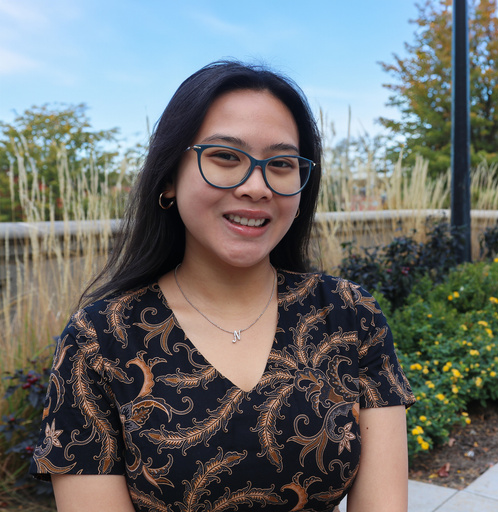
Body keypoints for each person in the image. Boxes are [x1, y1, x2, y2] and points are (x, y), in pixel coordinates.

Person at [31, 60, 414, 512]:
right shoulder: (100, 340)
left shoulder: (350, 316)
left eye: (282, 163)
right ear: (170, 177)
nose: (256, 187)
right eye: (225, 157)